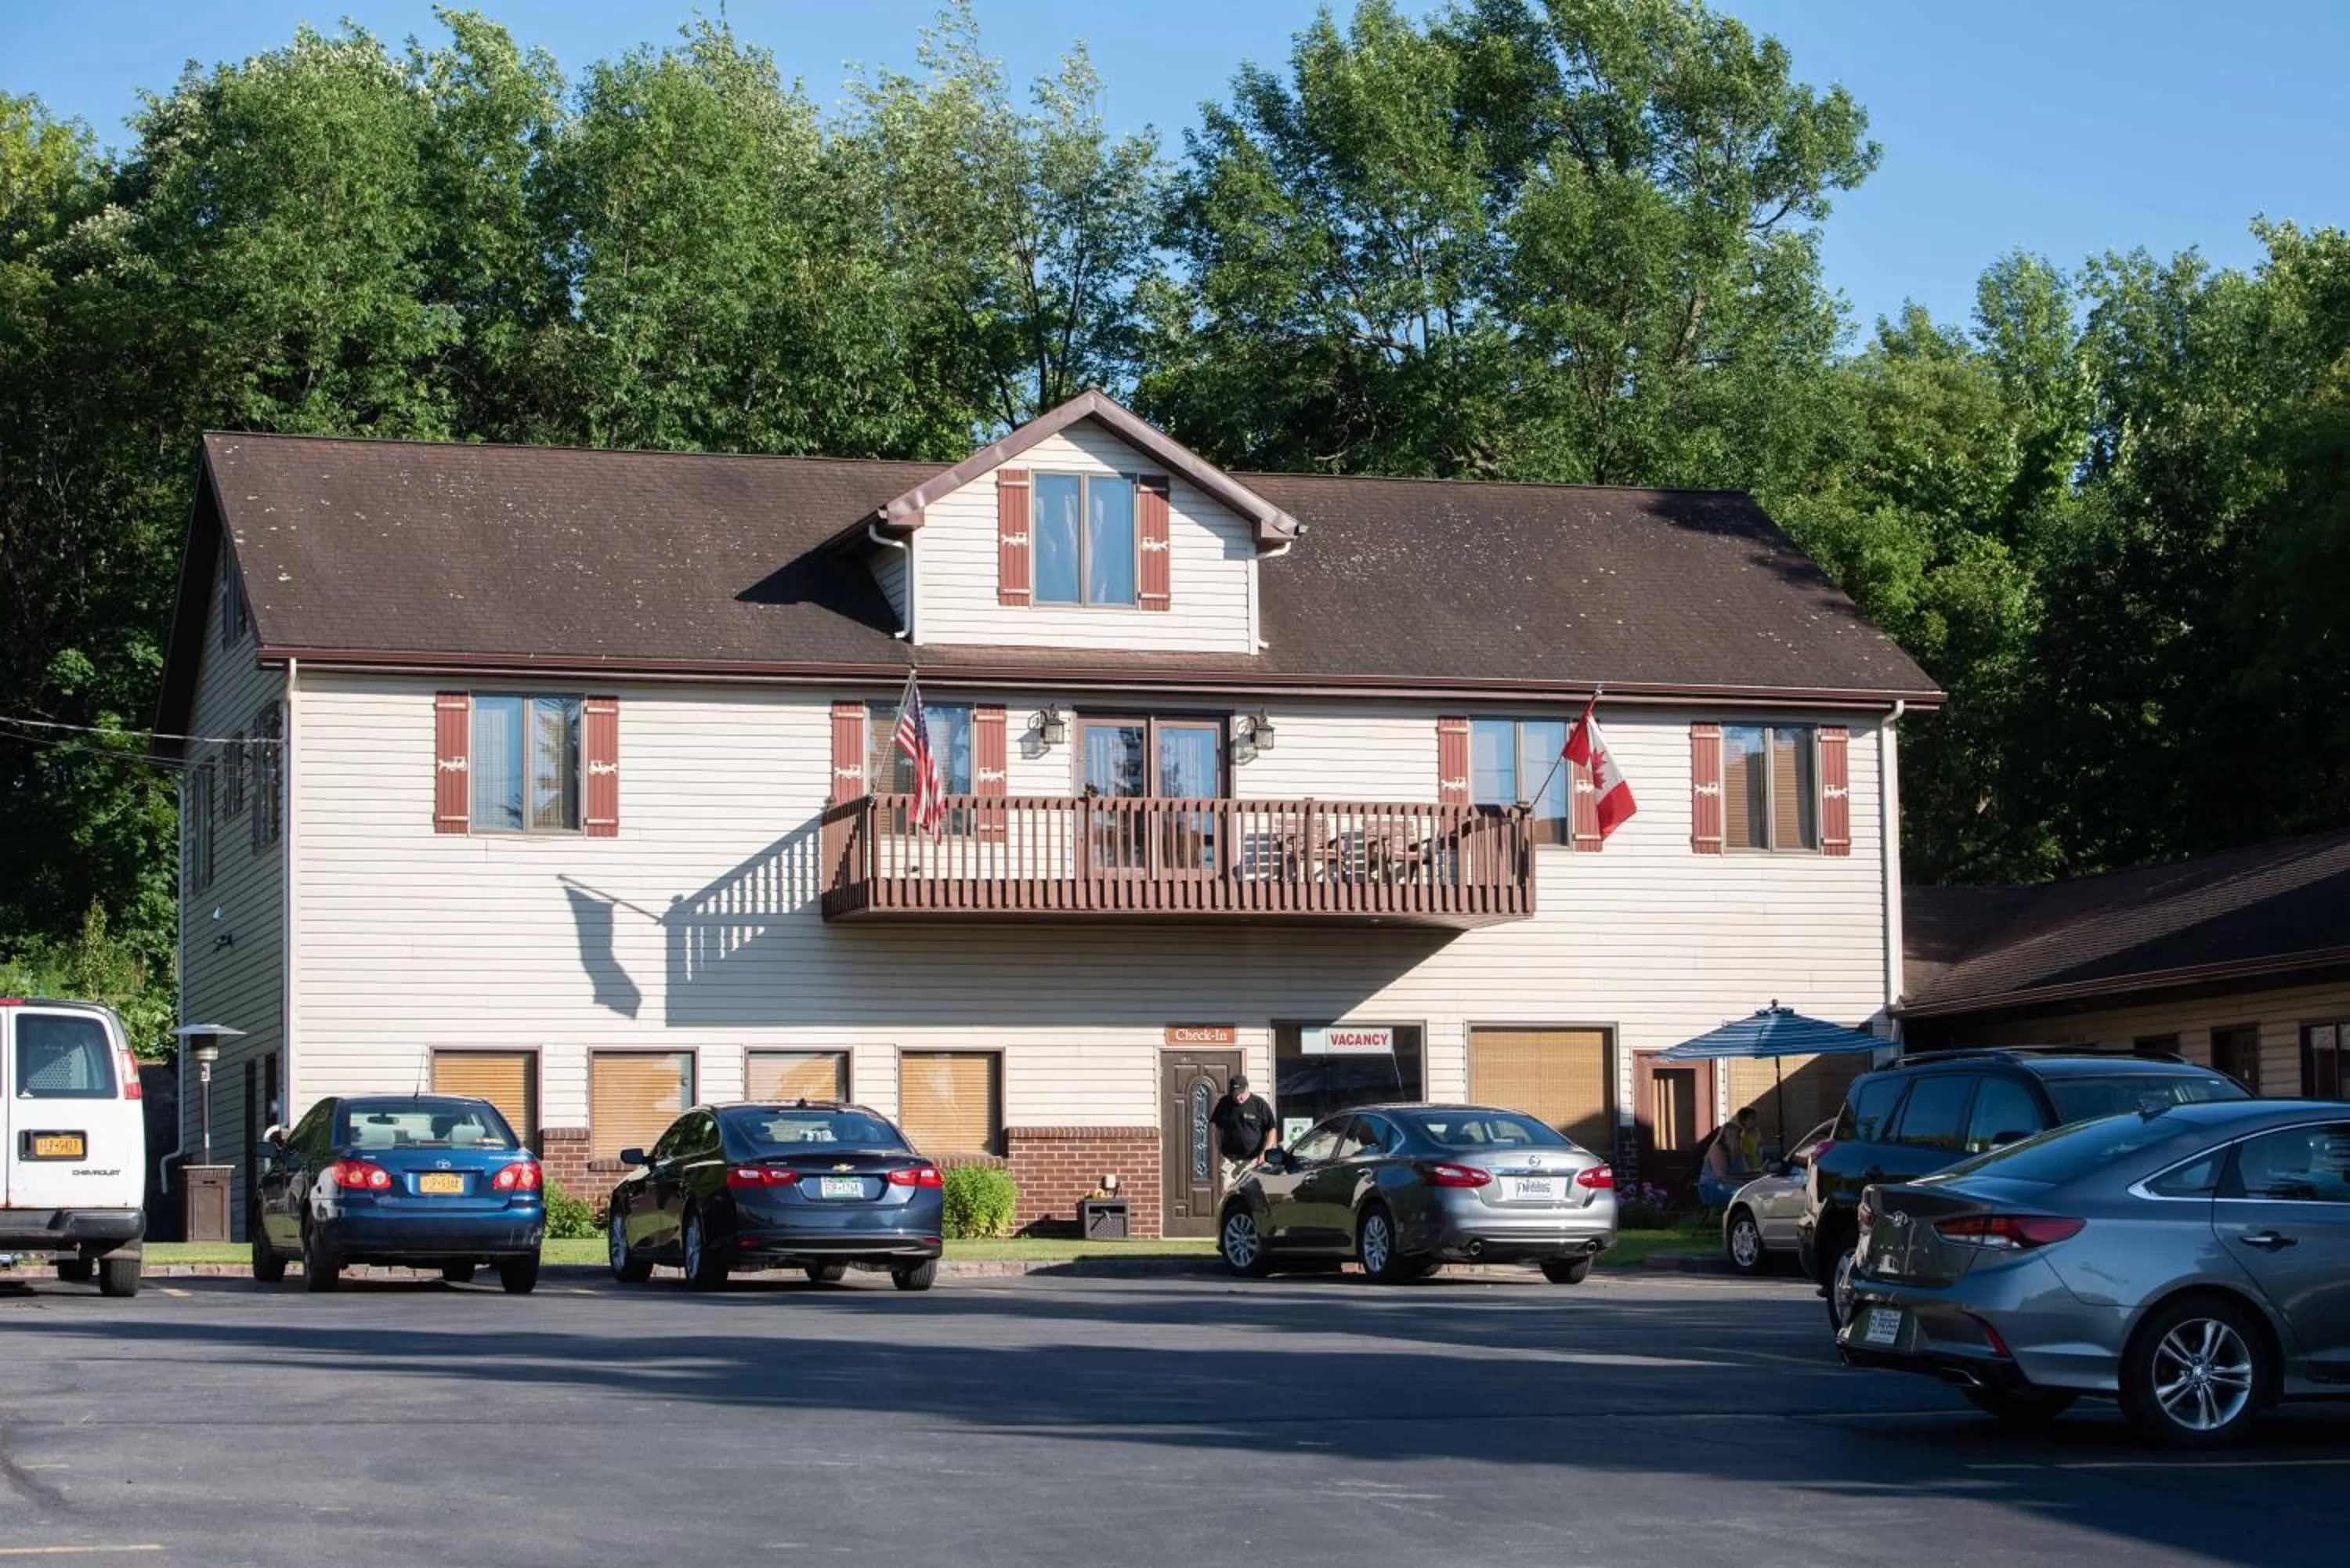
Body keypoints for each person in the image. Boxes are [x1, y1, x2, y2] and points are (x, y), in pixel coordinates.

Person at [1209, 1074, 1279, 1189]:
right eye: (1235, 1094)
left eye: (1241, 1094)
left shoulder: (1259, 1104)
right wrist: (1219, 1148)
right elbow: (1217, 1127)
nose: (1238, 1097)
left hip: (1252, 1161)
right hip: (1230, 1161)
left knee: (1249, 1193)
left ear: (1247, 1089)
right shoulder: (1224, 1103)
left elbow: (1272, 1128)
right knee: (1227, 1192)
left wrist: (1266, 1151)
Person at [1698, 1107, 1761, 1207]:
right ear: (1729, 1137)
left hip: (1732, 1184)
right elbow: (1721, 1177)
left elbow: (1745, 1172)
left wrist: (1759, 1175)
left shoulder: (1739, 1151)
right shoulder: (1718, 1150)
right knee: (1746, 1195)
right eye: (1737, 1136)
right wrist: (1743, 1184)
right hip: (1714, 1187)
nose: (1740, 1138)